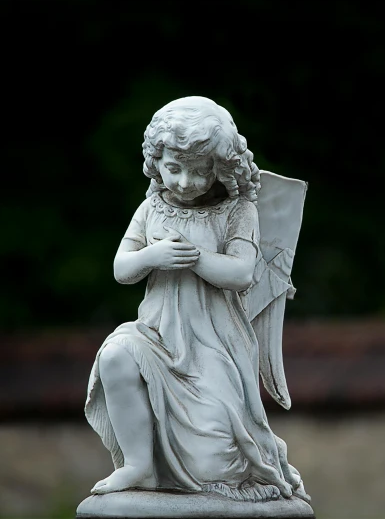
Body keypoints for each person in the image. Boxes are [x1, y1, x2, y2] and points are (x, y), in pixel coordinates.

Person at [84, 96, 309, 503]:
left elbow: (243, 274)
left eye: (199, 172)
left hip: (214, 347)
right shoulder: (150, 208)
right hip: (156, 335)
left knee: (214, 465)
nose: (185, 182)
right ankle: (139, 465)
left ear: (220, 169)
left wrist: (195, 258)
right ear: (157, 162)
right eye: (174, 169)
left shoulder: (239, 211)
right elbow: (122, 269)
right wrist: (153, 256)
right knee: (116, 355)